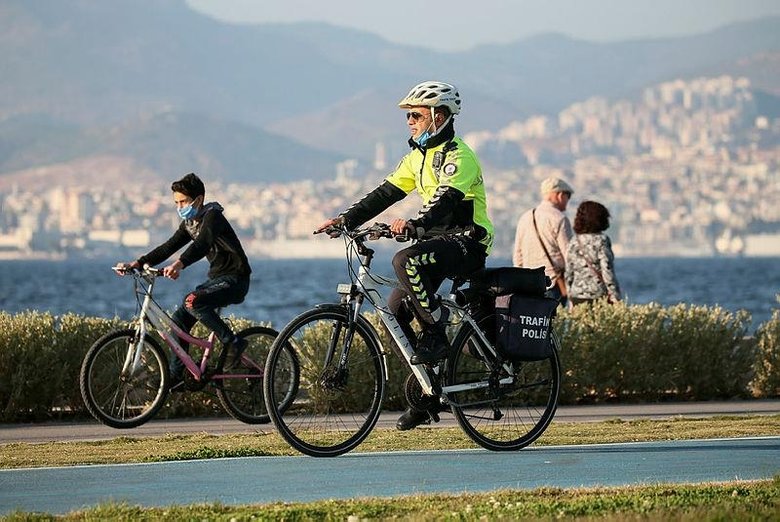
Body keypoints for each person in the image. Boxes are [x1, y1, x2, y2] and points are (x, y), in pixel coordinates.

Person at [315, 80, 494, 431]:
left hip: (468, 242)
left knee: (404, 260)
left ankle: (437, 334)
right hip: (436, 244)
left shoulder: (460, 157)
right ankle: (429, 391)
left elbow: (445, 203)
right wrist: (345, 219)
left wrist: (414, 225)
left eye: (415, 114)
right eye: (407, 116)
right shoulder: (417, 157)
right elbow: (385, 194)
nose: (409, 121)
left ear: (438, 116)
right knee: (393, 311)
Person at [118, 173, 252, 387]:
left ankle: (233, 342)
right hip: (215, 280)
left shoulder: (213, 216)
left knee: (192, 301)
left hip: (235, 279)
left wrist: (179, 264)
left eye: (183, 201)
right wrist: (138, 262)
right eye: (176, 202)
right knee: (178, 320)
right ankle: (176, 376)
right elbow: (168, 246)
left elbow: (202, 244)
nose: (179, 206)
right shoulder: (189, 223)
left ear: (198, 200)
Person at [512, 176, 574, 304]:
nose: (568, 201)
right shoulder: (560, 219)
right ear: (560, 195)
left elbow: (518, 256)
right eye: (568, 196)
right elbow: (570, 255)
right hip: (553, 283)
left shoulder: (525, 217)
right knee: (554, 322)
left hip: (528, 285)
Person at [565, 200, 621, 305]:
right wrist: (615, 296)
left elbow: (569, 271)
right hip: (598, 295)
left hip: (577, 295)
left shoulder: (574, 241)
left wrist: (570, 298)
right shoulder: (602, 240)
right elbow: (607, 270)